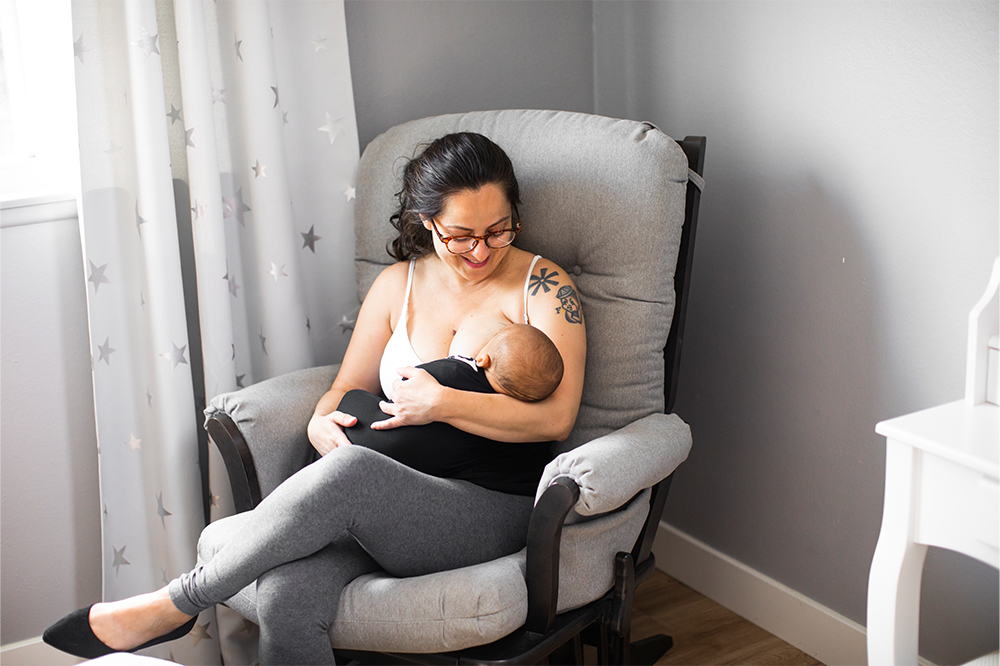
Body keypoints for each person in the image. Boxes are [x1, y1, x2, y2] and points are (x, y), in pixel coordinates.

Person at [43, 132, 587, 664]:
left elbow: (557, 419)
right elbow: (343, 388)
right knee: (286, 596)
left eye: (499, 230)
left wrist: (442, 404)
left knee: (353, 474)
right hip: (385, 506)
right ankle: (181, 603)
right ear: (428, 222)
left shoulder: (543, 288)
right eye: (461, 235)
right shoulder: (397, 285)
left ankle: (176, 603)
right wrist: (319, 424)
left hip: (489, 505)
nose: (481, 250)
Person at [339, 323, 564, 494]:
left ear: (483, 358)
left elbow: (407, 384)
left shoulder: (455, 369)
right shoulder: (506, 420)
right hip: (418, 467)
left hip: (373, 436)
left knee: (353, 398)